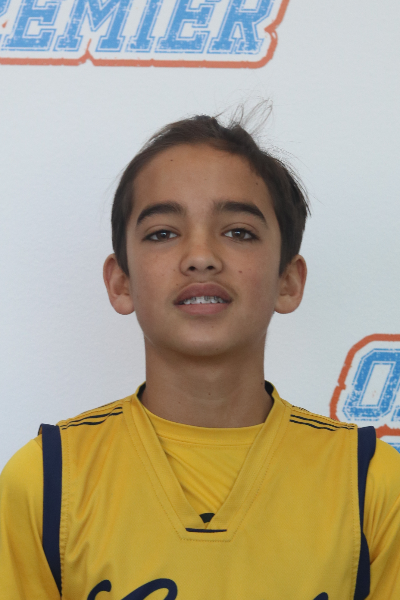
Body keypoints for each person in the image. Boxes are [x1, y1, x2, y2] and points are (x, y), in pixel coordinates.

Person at [1, 111, 400, 600]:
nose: (200, 256)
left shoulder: (371, 484)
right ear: (121, 282)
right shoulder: (47, 481)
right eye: (162, 233)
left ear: (288, 281)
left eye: (239, 232)